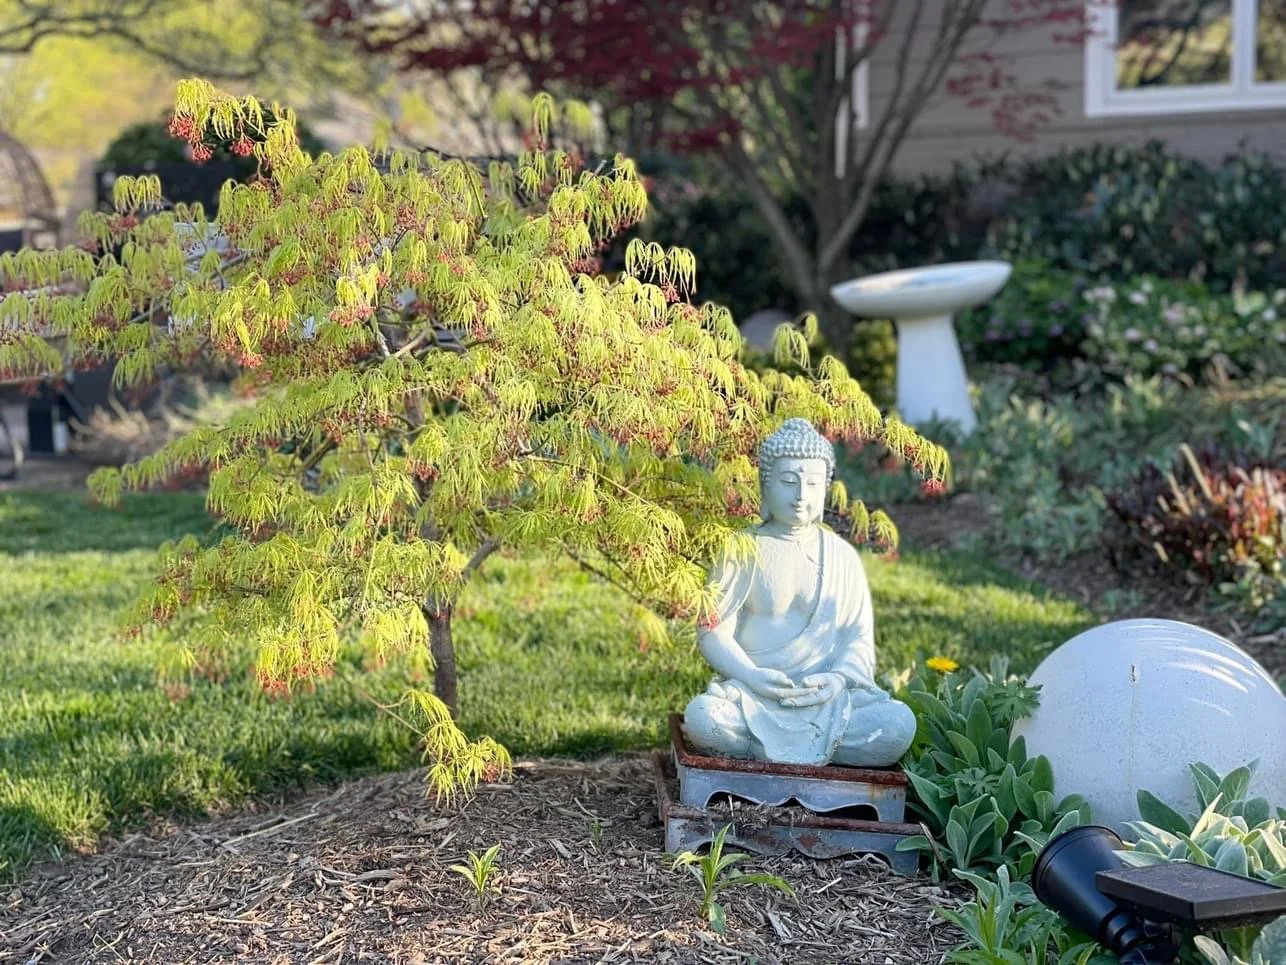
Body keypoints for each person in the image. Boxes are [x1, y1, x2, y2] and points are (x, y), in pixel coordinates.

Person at [683, 418, 917, 767]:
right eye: (788, 482)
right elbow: (713, 632)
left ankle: (765, 750)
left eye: (812, 483)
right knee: (705, 718)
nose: (800, 496)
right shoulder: (742, 547)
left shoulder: (842, 557)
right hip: (753, 695)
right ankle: (792, 747)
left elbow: (858, 640)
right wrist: (750, 676)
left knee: (897, 725)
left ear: (825, 488)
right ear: (766, 485)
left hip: (824, 702)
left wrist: (837, 680)